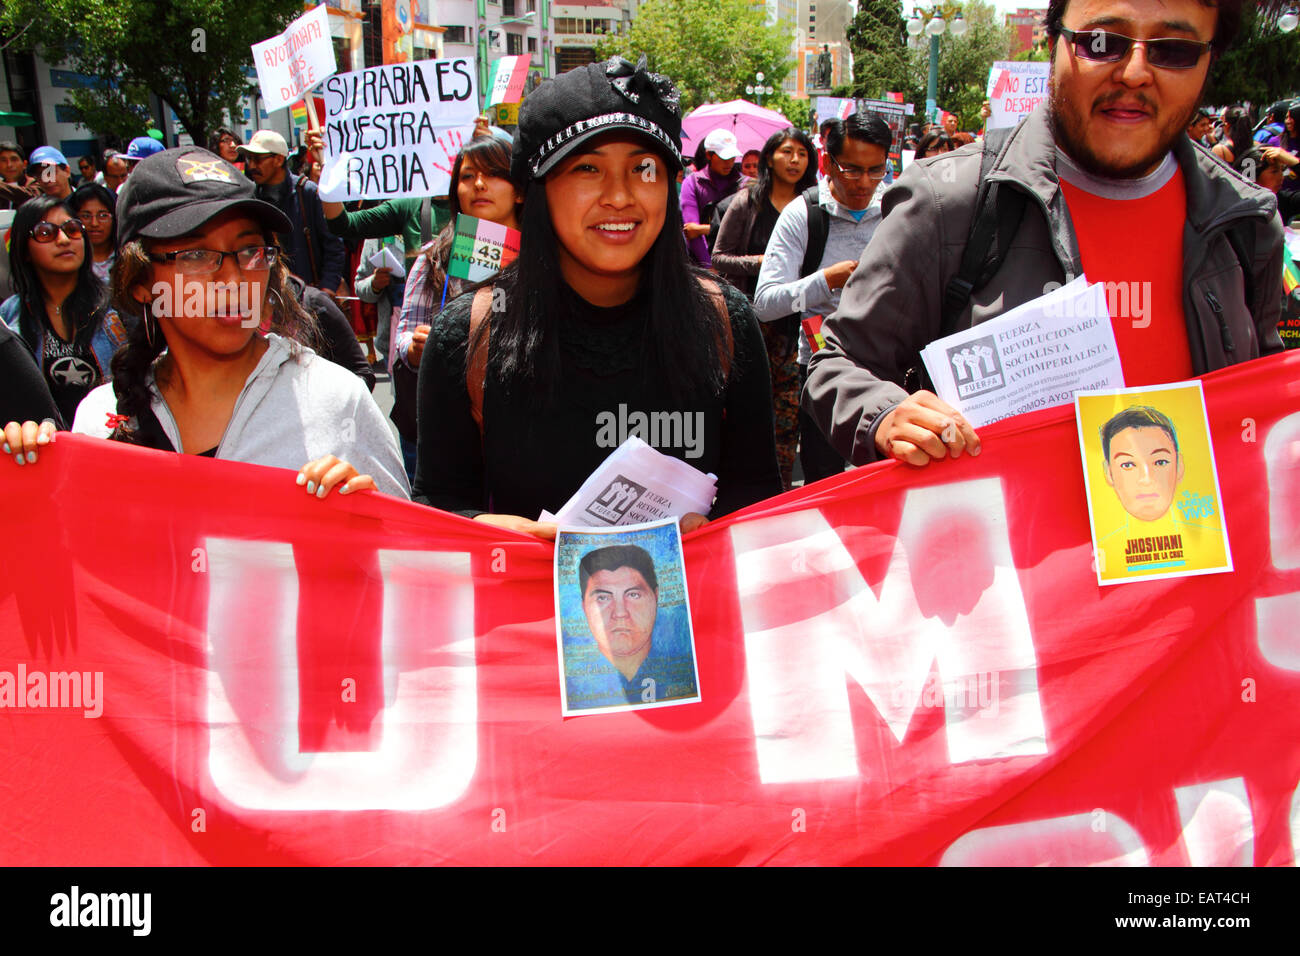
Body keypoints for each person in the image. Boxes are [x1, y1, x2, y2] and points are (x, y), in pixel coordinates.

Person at [806, 0, 1281, 470]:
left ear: (1209, 61)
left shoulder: (1245, 220)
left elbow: (1263, 408)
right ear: (1054, 44)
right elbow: (835, 364)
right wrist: (887, 415)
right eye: (1102, 42)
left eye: (1173, 50)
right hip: (999, 540)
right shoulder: (948, 200)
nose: (1135, 73)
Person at [412, 56, 782, 537]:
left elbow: (760, 497)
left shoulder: (724, 320)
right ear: (536, 189)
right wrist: (491, 531)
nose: (620, 197)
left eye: (644, 168)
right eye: (587, 168)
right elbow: (437, 507)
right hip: (521, 607)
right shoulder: (468, 333)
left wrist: (716, 531)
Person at [68, 146, 407, 499]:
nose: (233, 280)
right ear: (139, 281)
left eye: (250, 252)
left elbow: (410, 549)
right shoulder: (100, 418)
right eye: (196, 255)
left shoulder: (335, 400)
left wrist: (366, 523)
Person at [754, 113, 893, 486]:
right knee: (825, 481)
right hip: (822, 366)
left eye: (875, 170)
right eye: (852, 170)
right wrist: (825, 281)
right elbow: (765, 302)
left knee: (884, 476)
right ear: (830, 163)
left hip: (887, 364)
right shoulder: (804, 215)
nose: (864, 183)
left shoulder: (898, 210)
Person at [390, 135, 522, 481]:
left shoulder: (549, 257)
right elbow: (403, 338)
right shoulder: (434, 259)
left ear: (520, 189)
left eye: (493, 173)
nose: (479, 184)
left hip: (522, 430)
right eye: (467, 176)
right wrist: (419, 347)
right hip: (444, 429)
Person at [713, 127, 817, 490]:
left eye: (802, 153)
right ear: (770, 156)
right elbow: (719, 258)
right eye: (787, 152)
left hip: (795, 326)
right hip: (749, 325)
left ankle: (781, 492)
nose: (794, 160)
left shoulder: (812, 207)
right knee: (744, 412)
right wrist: (766, 264)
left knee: (788, 418)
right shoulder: (747, 203)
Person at [0, 196, 129, 426]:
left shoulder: (119, 306)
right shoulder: (10, 318)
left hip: (114, 445)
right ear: (24, 249)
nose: (63, 239)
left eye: (72, 229)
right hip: (44, 447)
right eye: (46, 232)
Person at [564, 544, 697, 708]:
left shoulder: (689, 671)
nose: (620, 613)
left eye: (633, 595)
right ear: (584, 607)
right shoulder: (568, 680)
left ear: (656, 598)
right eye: (603, 598)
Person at [239, 130, 346, 297]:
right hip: (265, 297)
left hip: (307, 298)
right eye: (249, 159)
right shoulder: (249, 198)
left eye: (258, 159)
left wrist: (326, 290)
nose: (252, 166)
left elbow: (334, 245)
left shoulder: (307, 192)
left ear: (279, 159)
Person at [679, 128, 745, 267]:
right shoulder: (692, 183)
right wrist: (709, 267)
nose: (729, 162)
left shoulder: (745, 185)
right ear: (709, 155)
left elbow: (743, 230)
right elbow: (691, 233)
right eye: (724, 157)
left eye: (732, 157)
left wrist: (703, 229)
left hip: (737, 265)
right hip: (702, 267)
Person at [68, 183, 117, 284]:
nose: (94, 223)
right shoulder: (68, 257)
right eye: (86, 216)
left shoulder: (126, 257)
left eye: (103, 215)